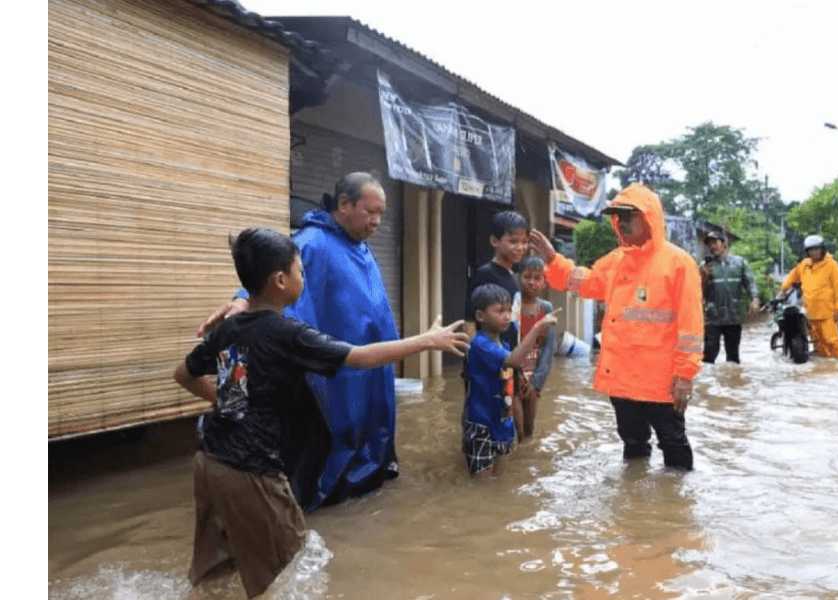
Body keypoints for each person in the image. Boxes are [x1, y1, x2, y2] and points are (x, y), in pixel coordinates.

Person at [175, 228, 468, 598]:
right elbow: (359, 357)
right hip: (251, 470)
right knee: (290, 568)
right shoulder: (286, 332)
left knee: (215, 571)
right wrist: (426, 341)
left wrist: (228, 404)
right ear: (280, 280)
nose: (305, 279)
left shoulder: (229, 328)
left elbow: (184, 375)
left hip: (209, 460)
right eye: (301, 272)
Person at [195, 172, 401, 510]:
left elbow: (191, 377)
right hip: (334, 376)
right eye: (370, 211)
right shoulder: (313, 244)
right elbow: (266, 277)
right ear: (344, 205)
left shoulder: (361, 248)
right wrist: (243, 301)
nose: (377, 221)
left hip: (362, 370)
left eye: (381, 213)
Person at [528, 183, 704, 471]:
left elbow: (691, 326)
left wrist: (685, 375)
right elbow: (584, 282)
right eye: (617, 217)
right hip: (623, 379)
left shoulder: (679, 264)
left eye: (628, 216)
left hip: (662, 382)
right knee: (633, 445)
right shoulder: (616, 262)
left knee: (673, 444)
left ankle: (675, 498)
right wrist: (552, 259)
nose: (621, 223)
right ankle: (633, 493)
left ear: (648, 217)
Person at [463, 283, 559, 476]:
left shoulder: (504, 346)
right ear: (481, 316)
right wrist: (537, 327)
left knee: (499, 478)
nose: (507, 316)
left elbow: (510, 381)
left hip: (502, 423)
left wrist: (520, 378)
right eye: (500, 311)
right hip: (481, 423)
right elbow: (513, 360)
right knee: (482, 481)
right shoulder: (480, 344)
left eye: (509, 310)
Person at [464, 210, 530, 349]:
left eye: (524, 242)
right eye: (513, 241)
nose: (520, 248)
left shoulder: (515, 278)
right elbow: (470, 322)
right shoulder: (485, 274)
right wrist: (476, 355)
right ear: (495, 241)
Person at [513, 255, 558, 440]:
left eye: (537, 278)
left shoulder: (546, 309)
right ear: (518, 278)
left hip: (533, 374)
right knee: (517, 428)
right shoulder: (511, 306)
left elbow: (549, 349)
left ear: (544, 282)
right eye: (527, 277)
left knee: (529, 431)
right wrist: (515, 375)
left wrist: (536, 382)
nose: (531, 282)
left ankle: (527, 455)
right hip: (512, 372)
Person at [780, 235, 838, 358]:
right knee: (818, 343)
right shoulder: (804, 265)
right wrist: (783, 289)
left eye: (816, 249)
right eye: (810, 250)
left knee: (832, 341)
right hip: (811, 312)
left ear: (822, 249)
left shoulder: (832, 265)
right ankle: (824, 367)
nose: (813, 253)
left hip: (828, 312)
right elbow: (791, 278)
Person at [699, 230, 761, 364]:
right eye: (709, 244)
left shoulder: (740, 263)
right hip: (713, 316)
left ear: (724, 244)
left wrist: (755, 299)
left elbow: (750, 283)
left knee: (733, 357)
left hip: (733, 316)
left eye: (715, 242)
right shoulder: (705, 266)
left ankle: (732, 377)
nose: (712, 246)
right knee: (709, 354)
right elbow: (698, 292)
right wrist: (704, 276)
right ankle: (708, 378)